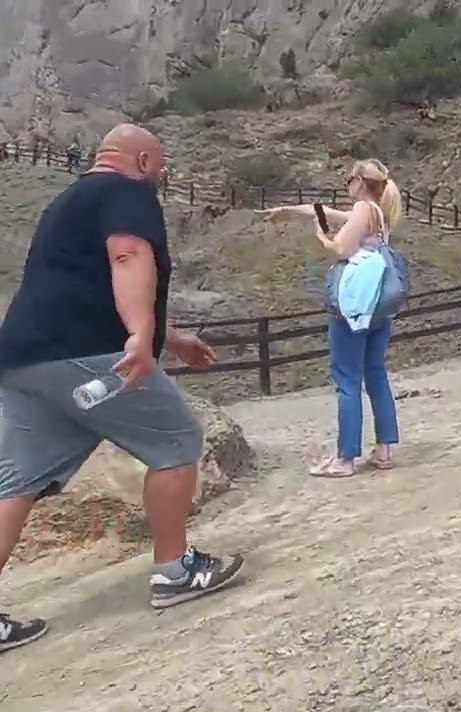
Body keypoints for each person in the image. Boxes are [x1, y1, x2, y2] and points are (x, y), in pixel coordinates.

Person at [0, 124, 245, 652]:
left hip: (23, 360)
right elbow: (128, 256)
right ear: (142, 161)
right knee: (176, 441)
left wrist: (169, 338)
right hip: (89, 354)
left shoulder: (66, 201)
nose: (163, 173)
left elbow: (81, 284)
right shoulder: (127, 192)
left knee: (16, 481)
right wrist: (139, 333)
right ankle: (176, 571)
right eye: (160, 164)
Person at [260, 160, 402, 477]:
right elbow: (323, 210)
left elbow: (342, 249)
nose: (347, 184)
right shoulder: (378, 213)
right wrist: (290, 211)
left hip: (354, 307)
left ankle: (345, 457)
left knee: (347, 379)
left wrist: (322, 237)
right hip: (378, 306)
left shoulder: (362, 209)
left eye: (350, 178)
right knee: (375, 373)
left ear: (361, 182)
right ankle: (384, 448)